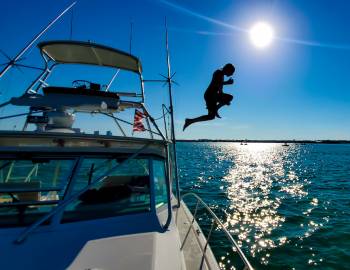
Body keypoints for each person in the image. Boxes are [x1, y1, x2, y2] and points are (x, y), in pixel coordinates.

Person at [183, 63, 235, 131]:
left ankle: (190, 121)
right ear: (228, 69)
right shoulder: (218, 72)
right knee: (230, 97)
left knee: (211, 117)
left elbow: (220, 91)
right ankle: (216, 109)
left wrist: (224, 102)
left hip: (213, 96)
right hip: (210, 95)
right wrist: (227, 83)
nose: (232, 74)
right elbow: (215, 83)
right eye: (232, 72)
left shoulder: (222, 75)